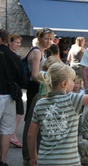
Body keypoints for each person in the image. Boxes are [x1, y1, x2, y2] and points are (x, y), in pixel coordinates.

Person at [27, 63, 88, 166]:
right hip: (69, 162)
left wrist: (33, 157)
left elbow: (31, 135)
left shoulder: (40, 104)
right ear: (64, 84)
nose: (74, 83)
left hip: (45, 161)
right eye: (72, 80)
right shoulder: (73, 99)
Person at [22, 27, 54, 165]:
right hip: (36, 89)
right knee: (32, 123)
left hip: (39, 88)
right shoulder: (36, 52)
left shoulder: (43, 52)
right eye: (46, 38)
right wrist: (46, 84)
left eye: (51, 39)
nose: (48, 41)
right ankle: (29, 156)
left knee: (37, 122)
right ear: (40, 38)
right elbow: (35, 75)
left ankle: (33, 154)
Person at [0, 29, 24, 166]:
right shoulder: (14, 57)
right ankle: (2, 160)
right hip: (9, 96)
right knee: (6, 130)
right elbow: (22, 80)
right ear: (7, 40)